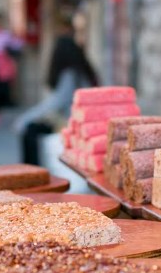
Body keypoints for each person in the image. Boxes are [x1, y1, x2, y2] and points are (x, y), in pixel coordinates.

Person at [13, 16, 99, 165]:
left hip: (73, 125)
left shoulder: (70, 74)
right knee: (33, 129)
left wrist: (25, 118)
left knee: (29, 130)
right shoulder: (81, 72)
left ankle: (32, 175)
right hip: (77, 123)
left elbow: (57, 102)